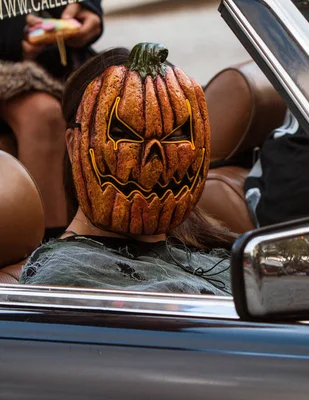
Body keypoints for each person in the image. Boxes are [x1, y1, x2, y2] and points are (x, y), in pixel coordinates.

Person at [20, 43, 237, 295]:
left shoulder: (206, 244)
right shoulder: (68, 280)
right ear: (73, 144)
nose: (154, 159)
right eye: (124, 134)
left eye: (176, 135)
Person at [0, 1, 103, 237]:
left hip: (63, 57)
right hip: (11, 68)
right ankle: (47, 254)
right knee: (43, 115)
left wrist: (87, 7)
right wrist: (9, 33)